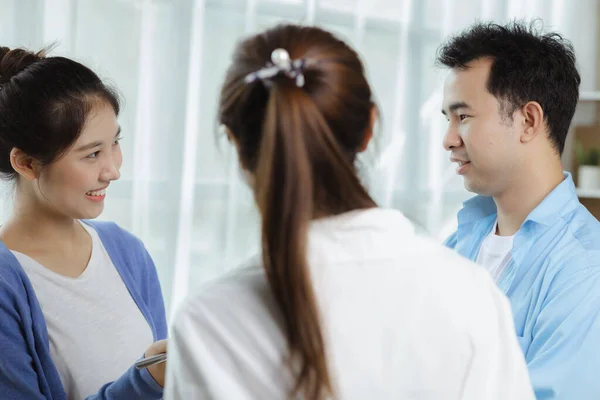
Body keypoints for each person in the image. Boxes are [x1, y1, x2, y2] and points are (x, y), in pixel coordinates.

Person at [164, 24, 534, 400]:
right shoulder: (469, 294)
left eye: (464, 117)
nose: (449, 138)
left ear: (236, 143)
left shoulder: (208, 322)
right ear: (369, 128)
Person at [439, 21, 600, 399]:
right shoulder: (457, 243)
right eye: (447, 119)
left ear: (528, 120)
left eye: (463, 117)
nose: (448, 140)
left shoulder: (586, 269)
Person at [0, 47, 168, 399]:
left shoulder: (127, 251)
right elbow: (153, 382)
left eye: (115, 143)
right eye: (92, 153)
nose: (114, 170)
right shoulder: (6, 284)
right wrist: (148, 381)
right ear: (27, 163)